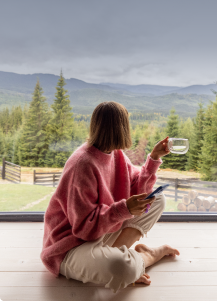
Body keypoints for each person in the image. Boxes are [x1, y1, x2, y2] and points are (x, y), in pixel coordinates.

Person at [40, 101, 179, 293]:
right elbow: (84, 230)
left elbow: (139, 189)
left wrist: (154, 158)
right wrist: (124, 209)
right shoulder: (82, 164)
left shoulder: (116, 154)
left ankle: (119, 255)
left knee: (156, 200)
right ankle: (147, 257)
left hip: (102, 231)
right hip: (70, 246)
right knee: (123, 269)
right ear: (122, 128)